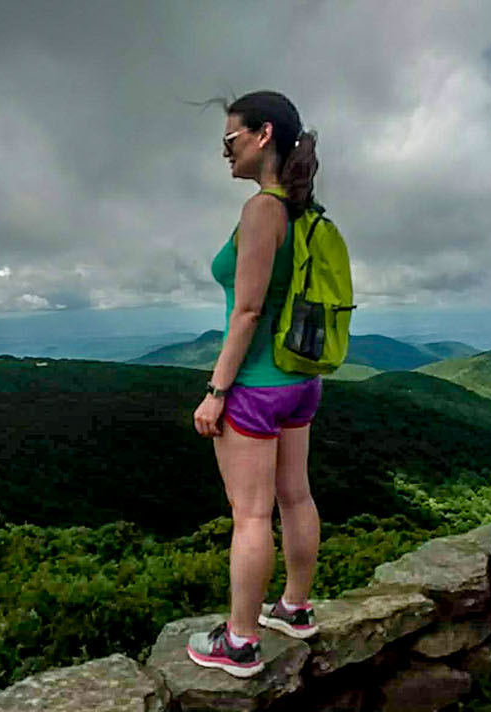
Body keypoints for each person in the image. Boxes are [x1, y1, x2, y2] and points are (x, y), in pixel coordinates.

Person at [184, 90, 324, 678]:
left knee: (249, 516)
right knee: (296, 495)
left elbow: (246, 312)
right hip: (299, 380)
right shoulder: (302, 210)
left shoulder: (262, 210)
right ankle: (293, 608)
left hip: (256, 387)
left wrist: (216, 391)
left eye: (229, 139)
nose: (225, 153)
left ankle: (239, 643)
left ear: (262, 135)